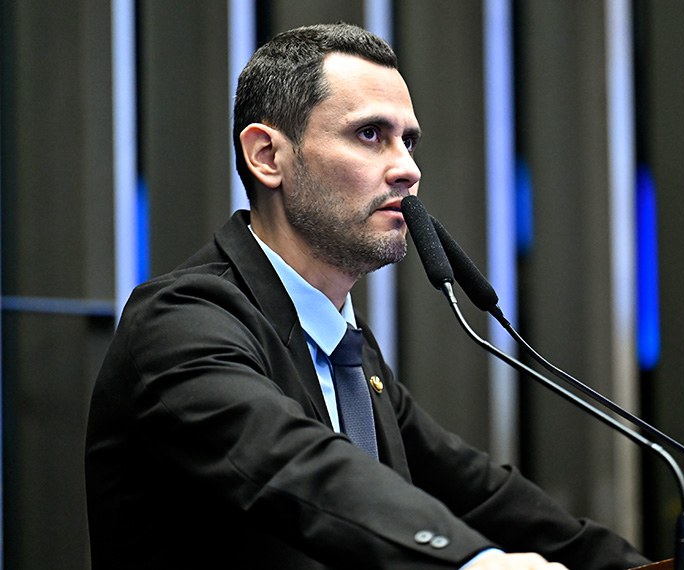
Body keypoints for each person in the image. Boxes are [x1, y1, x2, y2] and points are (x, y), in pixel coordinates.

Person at [85, 23, 649, 569]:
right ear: (267, 156)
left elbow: (481, 498)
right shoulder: (180, 323)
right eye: (370, 134)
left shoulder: (350, 355)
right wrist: (474, 563)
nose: (407, 169)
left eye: (409, 141)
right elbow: (294, 466)